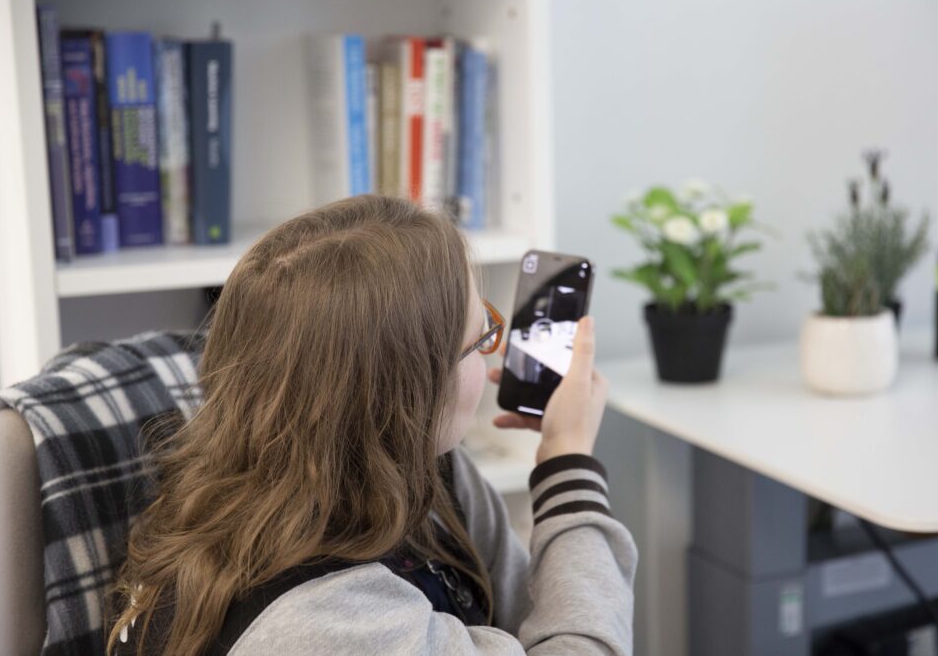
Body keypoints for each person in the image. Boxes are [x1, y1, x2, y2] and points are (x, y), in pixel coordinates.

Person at [106, 196, 637, 655]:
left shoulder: (417, 470)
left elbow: (526, 614)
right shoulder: (321, 624)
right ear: (408, 396)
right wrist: (568, 463)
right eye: (479, 342)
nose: (490, 364)